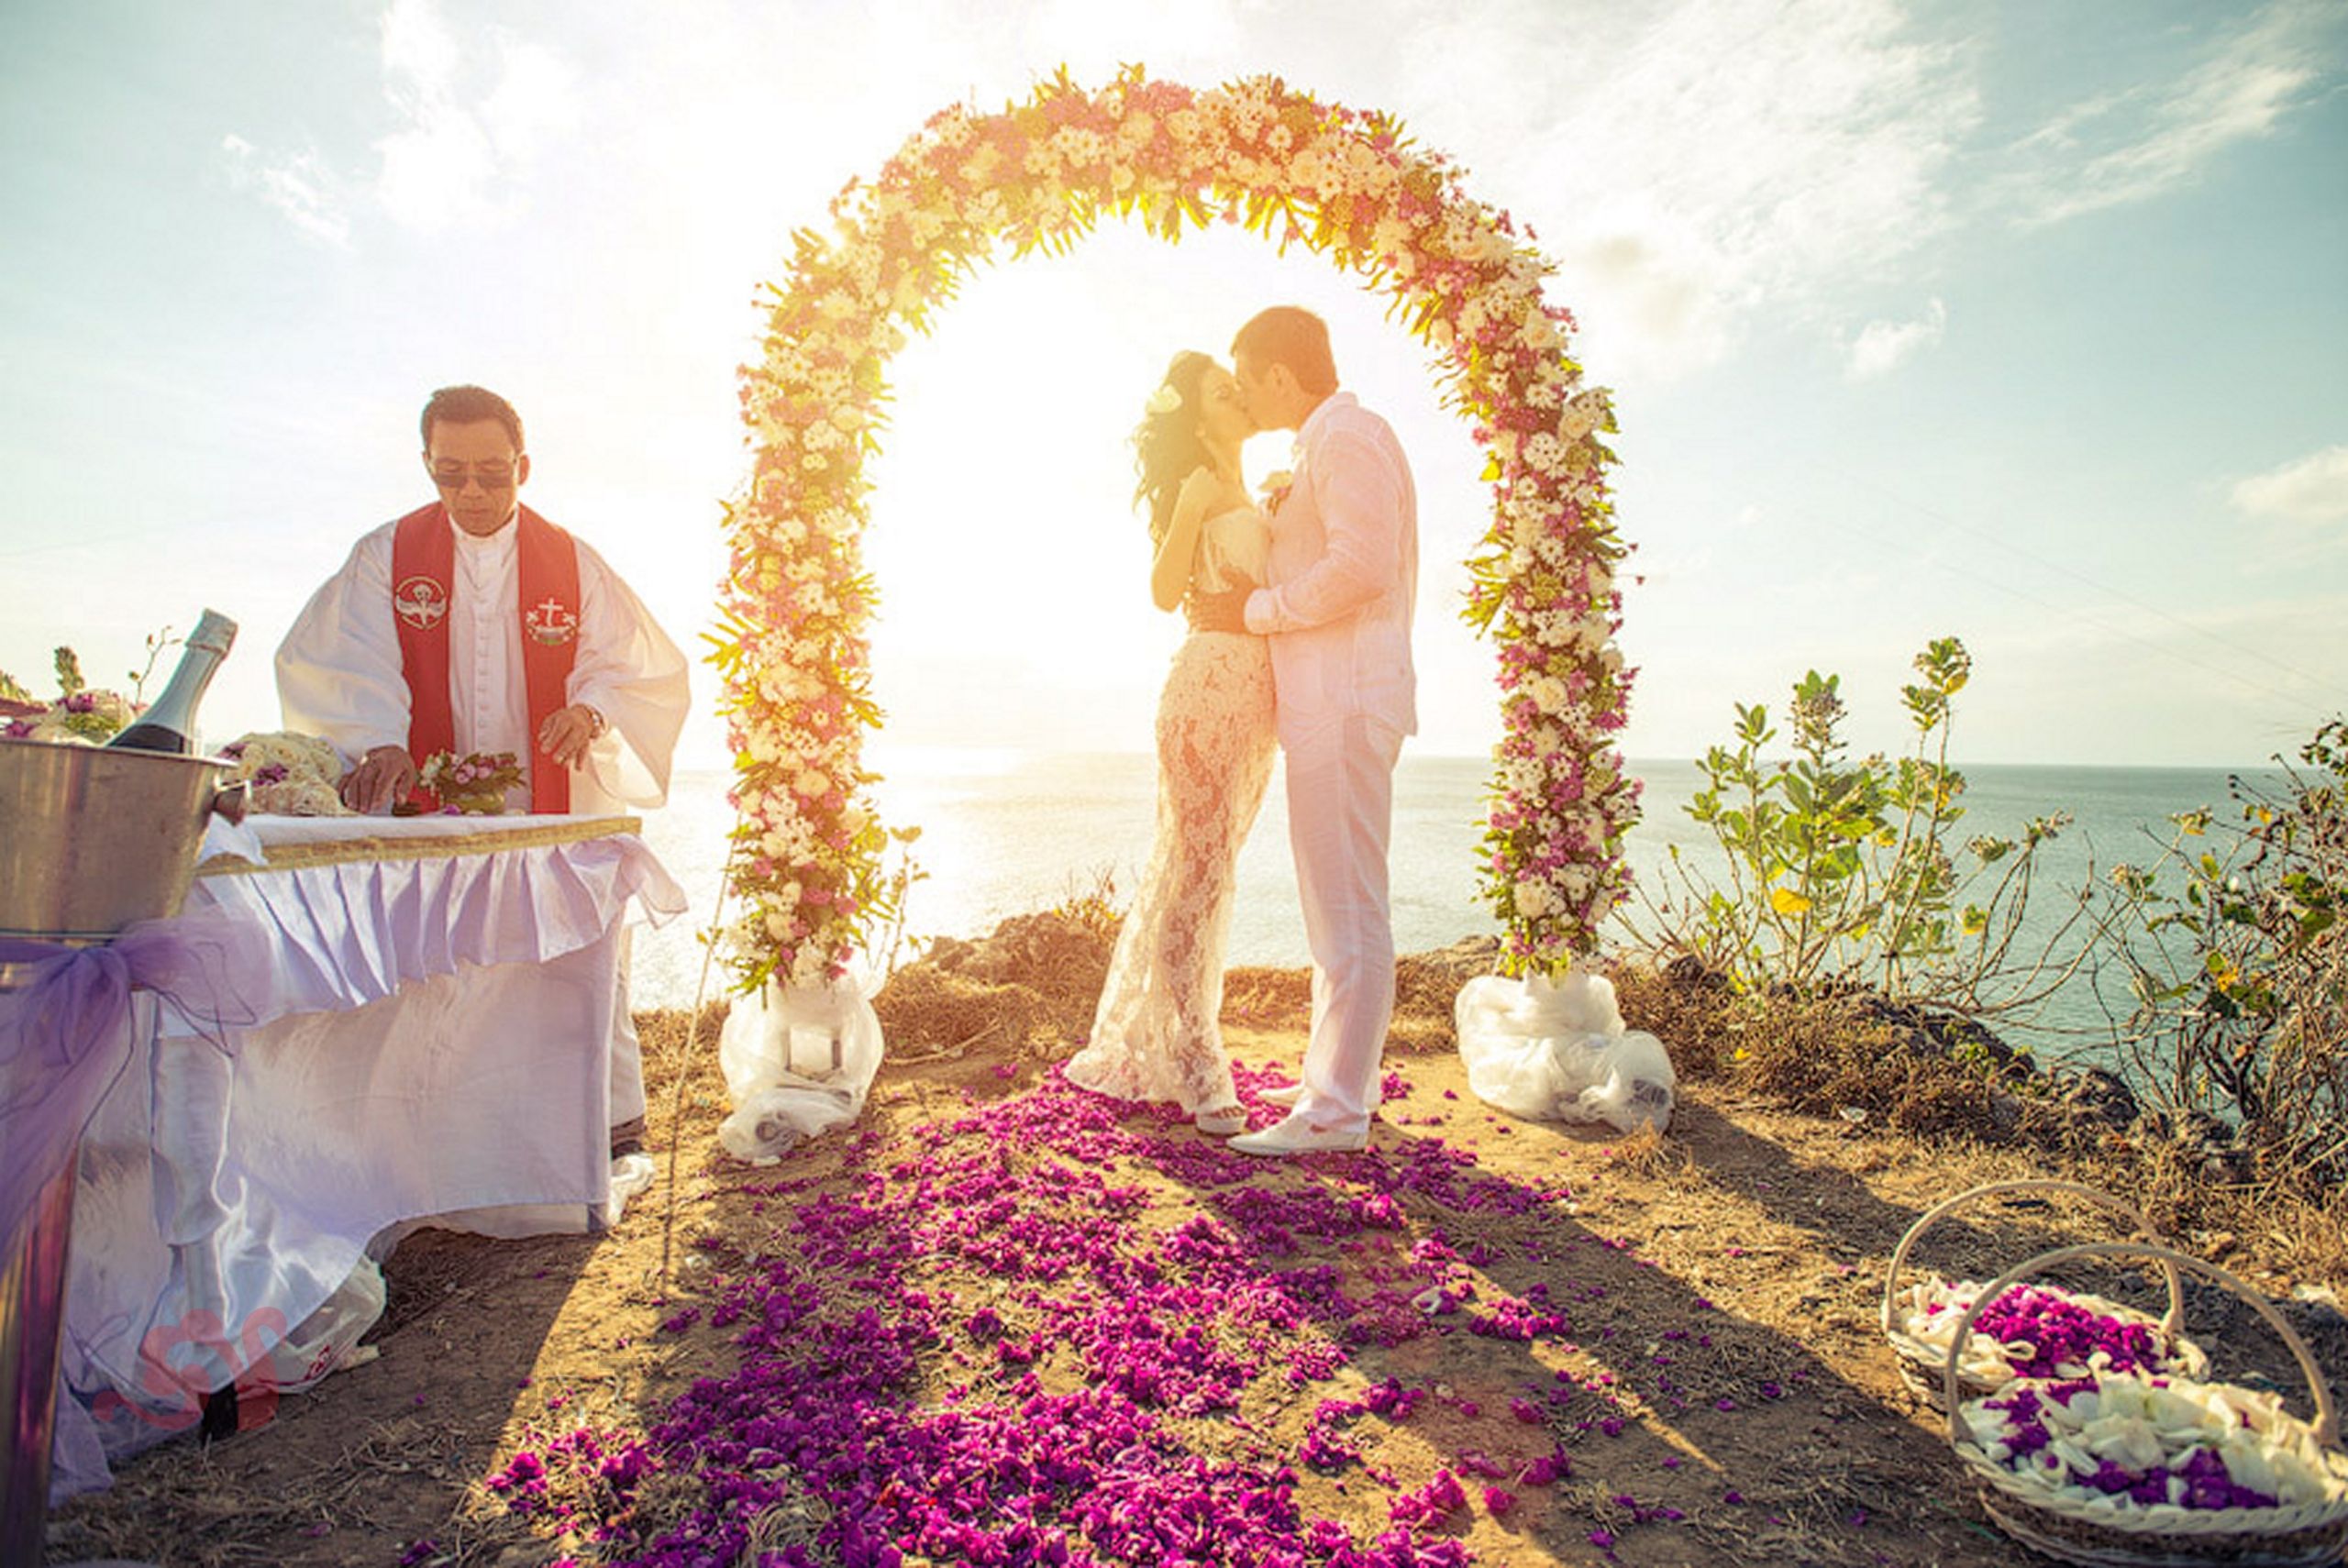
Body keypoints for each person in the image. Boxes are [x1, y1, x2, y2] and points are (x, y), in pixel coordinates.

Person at [274, 383, 692, 1145]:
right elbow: (345, 660)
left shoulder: (571, 561)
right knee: (446, 969)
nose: (470, 491)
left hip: (550, 797)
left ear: (523, 467)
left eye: (491, 474)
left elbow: (633, 663)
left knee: (564, 962)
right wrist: (380, 738)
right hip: (433, 799)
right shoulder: (386, 557)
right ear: (427, 464)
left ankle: (596, 1127)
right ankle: (450, 1140)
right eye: (450, 473)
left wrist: (590, 711)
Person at [1199, 307, 1419, 1157]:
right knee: (1341, 906)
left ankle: (1332, 1113)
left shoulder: (1347, 438)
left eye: (1250, 378)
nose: (1249, 397)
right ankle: (1343, 1087)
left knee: (1347, 910)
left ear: (1281, 375)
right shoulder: (1324, 446)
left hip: (1344, 698)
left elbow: (1362, 567)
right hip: (1329, 701)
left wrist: (1260, 610)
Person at [1064, 352, 1277, 1136]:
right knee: (1196, 871)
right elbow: (1164, 594)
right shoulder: (1201, 488)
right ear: (1197, 417)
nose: (1240, 394)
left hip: (1257, 702)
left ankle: (1174, 1038)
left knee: (1212, 870)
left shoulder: (1257, 487)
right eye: (1225, 391)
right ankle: (1194, 1058)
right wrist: (1188, 508)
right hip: (1206, 690)